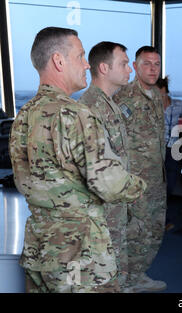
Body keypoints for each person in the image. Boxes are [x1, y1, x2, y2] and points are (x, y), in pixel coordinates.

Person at [9, 27, 147, 293]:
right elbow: (109, 183)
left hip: (39, 248)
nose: (86, 64)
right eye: (81, 56)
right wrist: (139, 186)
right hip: (81, 256)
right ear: (59, 61)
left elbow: (22, 181)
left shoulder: (24, 115)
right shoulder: (76, 115)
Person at [78, 41, 133, 291]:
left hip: (114, 206)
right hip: (100, 212)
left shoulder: (109, 103)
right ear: (103, 68)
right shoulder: (90, 108)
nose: (129, 69)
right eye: (123, 64)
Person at [113, 46, 167, 292]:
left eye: (156, 64)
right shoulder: (123, 97)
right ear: (134, 67)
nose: (153, 69)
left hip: (157, 178)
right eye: (147, 63)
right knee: (134, 232)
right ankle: (125, 281)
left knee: (154, 231)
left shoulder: (156, 95)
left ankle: (139, 274)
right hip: (135, 181)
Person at [155, 75, 182, 197]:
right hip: (157, 148)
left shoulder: (178, 105)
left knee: (171, 181)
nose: (159, 98)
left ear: (167, 92)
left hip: (173, 148)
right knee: (156, 181)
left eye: (162, 95)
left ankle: (167, 204)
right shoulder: (152, 106)